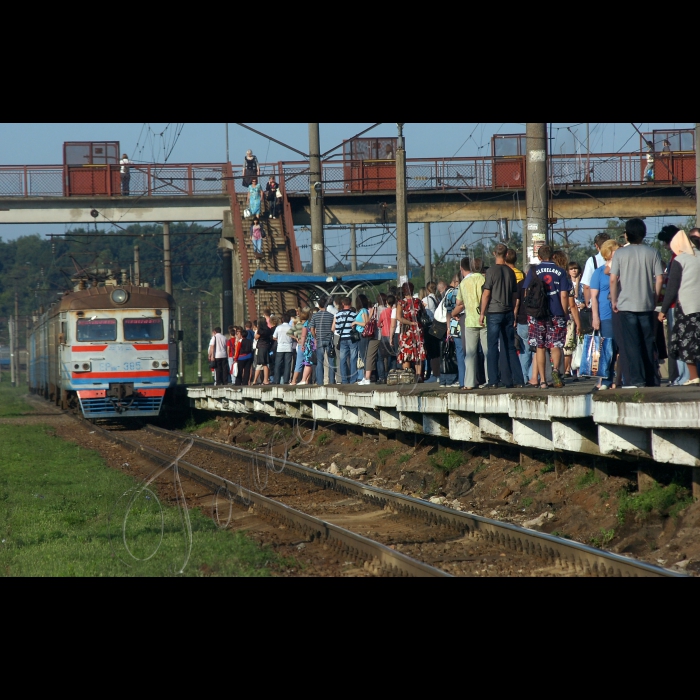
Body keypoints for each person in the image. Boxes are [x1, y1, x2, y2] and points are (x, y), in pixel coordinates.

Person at [609, 218, 664, 388]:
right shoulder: (652, 252)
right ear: (644, 234)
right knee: (648, 342)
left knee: (632, 344)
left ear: (627, 235)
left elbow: (613, 279)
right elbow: (660, 278)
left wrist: (614, 299)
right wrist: (654, 297)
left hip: (626, 305)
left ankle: (636, 380)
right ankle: (651, 378)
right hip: (646, 304)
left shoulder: (619, 254)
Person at [522, 245, 571, 389]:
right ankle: (556, 370)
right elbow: (564, 295)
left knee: (540, 346)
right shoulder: (561, 272)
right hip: (556, 312)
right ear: (553, 256)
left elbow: (527, 293)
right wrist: (564, 313)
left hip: (537, 314)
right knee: (555, 344)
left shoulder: (533, 271)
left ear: (539, 257)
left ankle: (542, 380)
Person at [659, 230, 700, 386]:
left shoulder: (680, 260)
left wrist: (662, 310)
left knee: (686, 342)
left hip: (687, 307)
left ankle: (693, 375)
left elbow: (672, 288)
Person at [480, 244, 523, 388]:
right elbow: (514, 294)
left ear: (494, 253)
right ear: (506, 255)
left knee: (492, 347)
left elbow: (486, 294)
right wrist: (513, 311)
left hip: (494, 312)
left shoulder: (491, 271)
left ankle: (493, 380)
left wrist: (481, 313)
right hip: (508, 311)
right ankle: (516, 380)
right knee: (510, 346)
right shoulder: (510, 272)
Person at [657, 224, 689, 386]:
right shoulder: (681, 256)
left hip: (675, 306)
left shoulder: (677, 258)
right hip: (678, 304)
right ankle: (681, 376)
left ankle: (683, 376)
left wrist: (663, 307)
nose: (665, 246)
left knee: (678, 341)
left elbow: (673, 286)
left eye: (666, 242)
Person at [453, 257, 489, 390]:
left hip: (469, 320)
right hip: (484, 319)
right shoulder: (482, 279)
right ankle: (490, 379)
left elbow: (458, 303)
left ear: (462, 269)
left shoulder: (463, 284)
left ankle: (469, 382)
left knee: (470, 353)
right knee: (487, 351)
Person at [590, 239, 621, 390]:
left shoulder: (622, 270)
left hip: (620, 313)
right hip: (605, 315)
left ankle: (619, 379)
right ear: (608, 253)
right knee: (607, 348)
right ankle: (606, 380)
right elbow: (593, 297)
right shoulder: (599, 273)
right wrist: (595, 317)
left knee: (620, 349)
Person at [396, 282, 426, 377]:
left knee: (406, 353)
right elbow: (423, 314)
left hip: (406, 330)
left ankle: (407, 375)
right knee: (418, 353)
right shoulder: (418, 301)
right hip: (417, 329)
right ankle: (419, 375)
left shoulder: (401, 303)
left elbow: (399, 317)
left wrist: (409, 322)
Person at [441, 275, 463, 388]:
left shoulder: (451, 294)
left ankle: (461, 378)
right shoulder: (469, 289)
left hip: (455, 325)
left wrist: (448, 328)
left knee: (459, 352)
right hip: (470, 324)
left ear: (455, 282)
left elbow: (448, 313)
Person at [310, 297, 336, 385]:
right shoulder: (331, 316)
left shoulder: (315, 316)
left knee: (320, 362)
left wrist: (315, 337)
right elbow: (333, 328)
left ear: (319, 305)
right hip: (329, 339)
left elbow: (312, 329)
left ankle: (320, 382)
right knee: (331, 361)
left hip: (319, 339)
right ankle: (332, 381)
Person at [332, 297, 357, 384]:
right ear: (350, 303)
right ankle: (353, 380)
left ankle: (344, 380)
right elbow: (355, 326)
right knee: (353, 359)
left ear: (343, 304)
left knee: (342, 360)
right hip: (352, 338)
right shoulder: (354, 314)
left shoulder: (338, 314)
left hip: (342, 338)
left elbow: (337, 328)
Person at [582, 233, 610, 306]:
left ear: (596, 245)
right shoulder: (616, 258)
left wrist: (588, 304)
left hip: (598, 301)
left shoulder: (592, 261)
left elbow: (587, 286)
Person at [272, 311, 294, 384]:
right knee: (287, 364)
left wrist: (279, 339)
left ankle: (276, 380)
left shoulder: (279, 327)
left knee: (278, 364)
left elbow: (274, 337)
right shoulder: (291, 327)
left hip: (280, 347)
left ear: (282, 320)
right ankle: (286, 380)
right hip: (289, 347)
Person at [378, 294, 396, 376]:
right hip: (393, 334)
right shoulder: (395, 311)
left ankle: (383, 375)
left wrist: (381, 325)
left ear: (386, 302)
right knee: (392, 355)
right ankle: (392, 373)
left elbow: (378, 324)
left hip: (384, 334)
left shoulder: (384, 312)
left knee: (382, 356)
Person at [252, 318, 273, 385]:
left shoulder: (260, 330)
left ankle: (265, 380)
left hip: (261, 347)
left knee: (264, 364)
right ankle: (264, 380)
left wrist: (256, 331)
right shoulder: (268, 329)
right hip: (267, 346)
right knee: (263, 363)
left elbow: (256, 337)